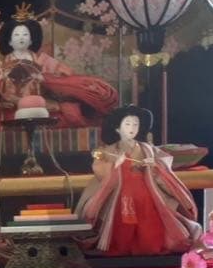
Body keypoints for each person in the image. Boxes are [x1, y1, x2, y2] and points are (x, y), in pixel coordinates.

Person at [0, 11, 118, 132]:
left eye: (25, 35)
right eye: (17, 35)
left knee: (70, 116)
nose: (21, 39)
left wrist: (46, 80)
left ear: (32, 39)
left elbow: (71, 79)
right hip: (9, 111)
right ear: (9, 41)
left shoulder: (44, 60)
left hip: (41, 110)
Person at [75, 105, 200, 255]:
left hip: (146, 187)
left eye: (136, 124)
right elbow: (99, 167)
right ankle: (122, 247)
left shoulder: (148, 149)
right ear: (117, 128)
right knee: (121, 219)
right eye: (127, 124)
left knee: (148, 216)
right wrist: (116, 165)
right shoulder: (108, 151)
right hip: (119, 190)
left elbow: (162, 163)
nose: (132, 128)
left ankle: (149, 246)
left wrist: (153, 166)